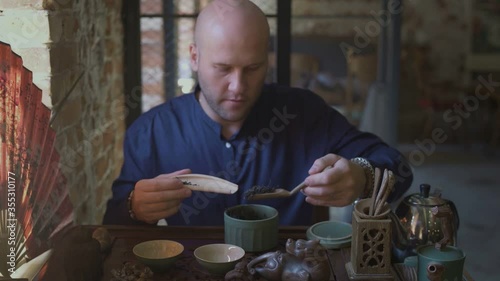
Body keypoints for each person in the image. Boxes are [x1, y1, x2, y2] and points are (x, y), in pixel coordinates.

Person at [103, 0, 413, 226]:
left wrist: (362, 176)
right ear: (195, 57)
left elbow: (398, 169)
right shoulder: (151, 132)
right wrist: (134, 207)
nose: (238, 86)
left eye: (253, 68)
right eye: (223, 69)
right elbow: (112, 225)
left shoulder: (304, 113)